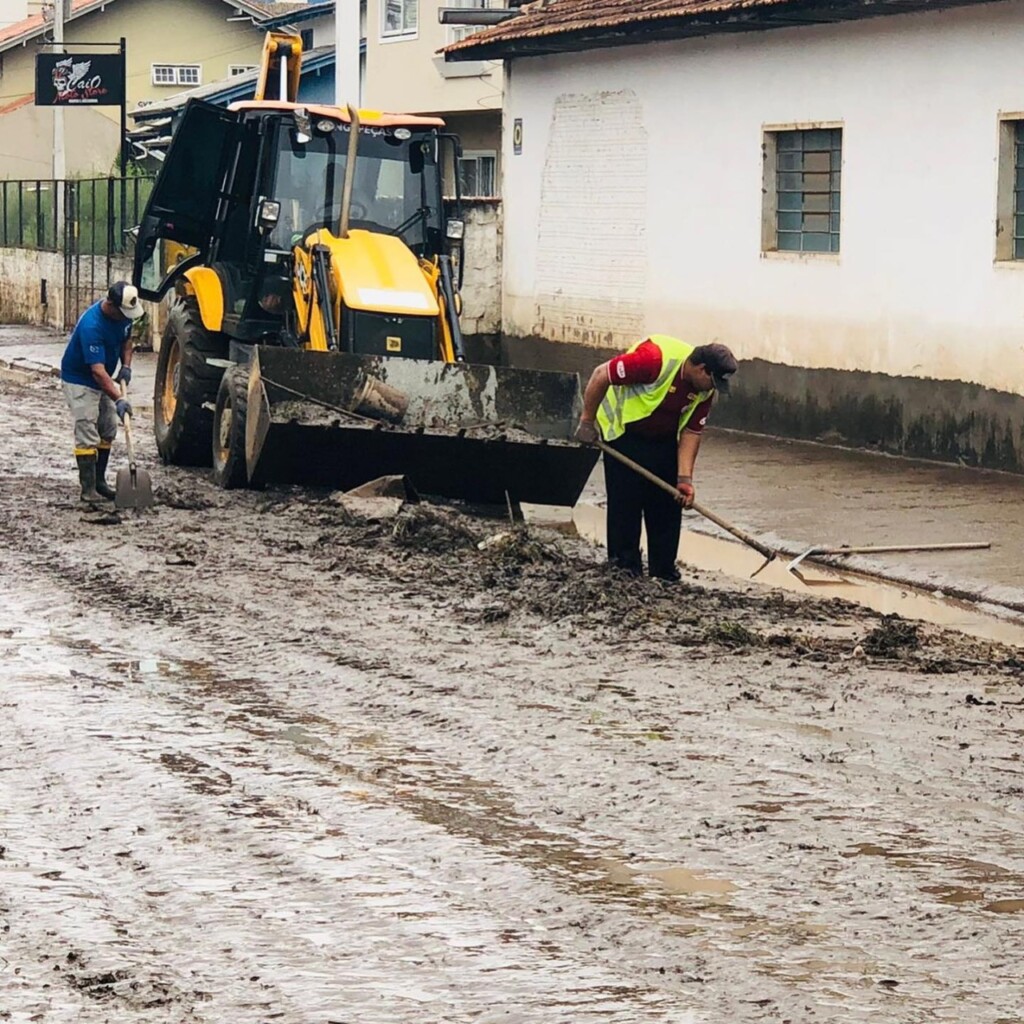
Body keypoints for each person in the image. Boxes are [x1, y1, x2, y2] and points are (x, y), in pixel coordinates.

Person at [575, 336, 738, 581]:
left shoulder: (704, 390)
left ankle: (664, 570)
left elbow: (692, 432)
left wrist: (684, 479)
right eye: (712, 381)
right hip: (623, 434)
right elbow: (601, 375)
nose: (712, 388)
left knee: (668, 503)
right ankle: (624, 567)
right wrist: (587, 421)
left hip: (663, 439)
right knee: (626, 503)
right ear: (701, 369)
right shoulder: (653, 359)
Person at [60, 281, 144, 503]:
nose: (128, 318)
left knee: (107, 430)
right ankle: (88, 490)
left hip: (103, 379)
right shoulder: (92, 326)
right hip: (80, 380)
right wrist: (119, 398)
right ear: (111, 305)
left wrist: (126, 367)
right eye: (124, 313)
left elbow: (127, 341)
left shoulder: (123, 318)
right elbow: (97, 371)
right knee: (87, 431)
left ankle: (100, 483)